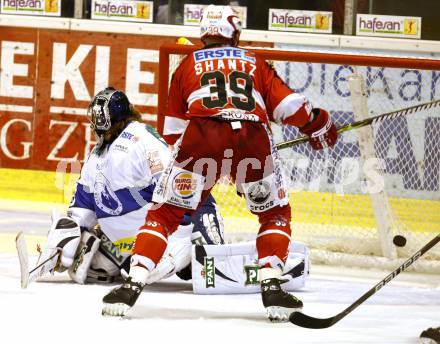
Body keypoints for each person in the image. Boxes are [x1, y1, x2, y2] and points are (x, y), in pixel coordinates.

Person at [102, 5, 337, 321]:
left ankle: (132, 284)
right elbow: (289, 106)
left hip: (201, 137)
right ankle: (272, 287)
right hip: (253, 139)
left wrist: (189, 171)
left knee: (165, 214)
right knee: (274, 213)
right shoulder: (254, 62)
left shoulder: (186, 64)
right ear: (235, 32)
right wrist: (315, 123)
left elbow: (172, 131)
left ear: (204, 33)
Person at [36, 87, 224, 285]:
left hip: (130, 247)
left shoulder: (96, 154)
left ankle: (113, 259)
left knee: (184, 262)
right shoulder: (142, 137)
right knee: (204, 261)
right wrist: (182, 224)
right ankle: (198, 251)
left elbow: (80, 212)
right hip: (156, 237)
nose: (93, 125)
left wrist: (64, 242)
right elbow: (178, 181)